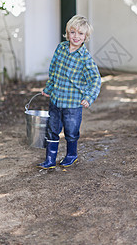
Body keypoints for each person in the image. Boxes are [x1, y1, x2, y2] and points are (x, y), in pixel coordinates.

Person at [37, 15, 101, 169]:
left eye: (80, 34)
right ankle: (50, 160)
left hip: (73, 103)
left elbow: (95, 79)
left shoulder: (85, 58)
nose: (76, 36)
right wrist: (48, 89)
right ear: (68, 32)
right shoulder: (61, 48)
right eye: (73, 32)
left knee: (71, 131)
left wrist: (88, 97)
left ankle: (71, 155)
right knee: (52, 129)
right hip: (56, 100)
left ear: (86, 37)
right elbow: (53, 71)